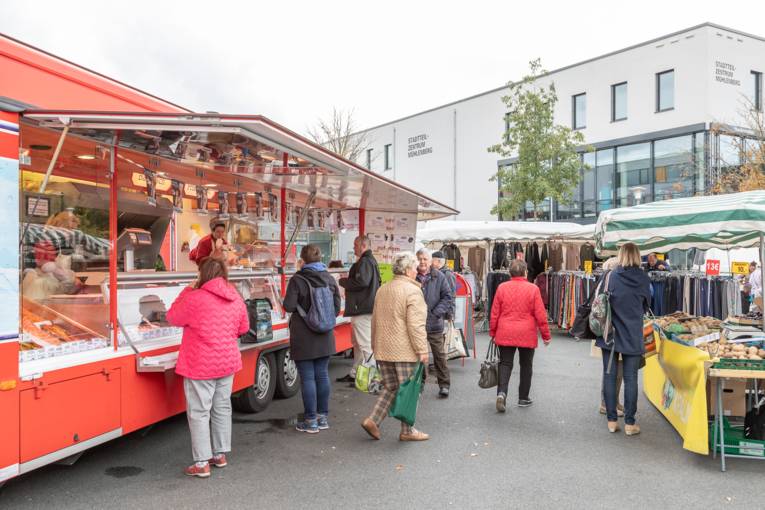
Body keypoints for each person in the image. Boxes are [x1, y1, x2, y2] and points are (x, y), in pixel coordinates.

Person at [167, 257, 249, 478]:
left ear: (202, 274)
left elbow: (172, 317)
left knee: (199, 412)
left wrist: (187, 290)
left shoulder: (194, 298)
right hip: (227, 361)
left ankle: (202, 462)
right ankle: (220, 454)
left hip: (200, 363)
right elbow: (244, 327)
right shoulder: (235, 296)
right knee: (222, 407)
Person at [361, 251, 430, 441]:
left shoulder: (383, 289)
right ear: (408, 270)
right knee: (409, 389)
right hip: (404, 351)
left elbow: (375, 320)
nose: (417, 271)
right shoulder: (412, 291)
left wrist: (375, 345)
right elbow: (415, 325)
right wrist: (422, 350)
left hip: (383, 349)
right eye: (415, 268)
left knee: (391, 387)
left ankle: (372, 420)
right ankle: (407, 431)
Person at [283, 244, 341, 434]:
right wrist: (323, 320)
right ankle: (322, 417)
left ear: (302, 259)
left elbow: (289, 306)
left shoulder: (297, 280)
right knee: (322, 375)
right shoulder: (329, 278)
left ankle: (310, 421)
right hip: (325, 334)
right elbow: (336, 306)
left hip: (303, 334)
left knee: (308, 378)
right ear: (319, 257)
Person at [596, 242, 651, 436]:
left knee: (609, 376)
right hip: (633, 333)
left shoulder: (610, 275)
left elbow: (600, 300)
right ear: (637, 256)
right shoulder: (643, 278)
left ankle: (612, 421)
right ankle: (629, 423)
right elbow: (646, 305)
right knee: (631, 378)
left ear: (620, 255)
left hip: (610, 333)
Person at [489, 259, 551, 412]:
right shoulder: (533, 289)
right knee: (526, 365)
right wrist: (546, 335)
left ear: (510, 272)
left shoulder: (502, 287)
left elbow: (495, 312)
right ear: (525, 272)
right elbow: (540, 314)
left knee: (505, 364)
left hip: (505, 330)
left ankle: (502, 393)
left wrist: (492, 331)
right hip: (526, 332)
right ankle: (523, 397)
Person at [337, 236, 381, 384]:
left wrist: (343, 281)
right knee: (358, 344)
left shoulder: (365, 261)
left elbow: (362, 281)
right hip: (365, 308)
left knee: (365, 345)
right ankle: (356, 373)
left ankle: (371, 378)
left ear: (363, 245)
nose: (353, 248)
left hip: (362, 308)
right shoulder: (370, 261)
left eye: (355, 245)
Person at [416, 248, 453, 398]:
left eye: (425, 259)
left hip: (434, 323)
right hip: (417, 324)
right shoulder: (412, 276)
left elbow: (447, 296)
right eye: (420, 259)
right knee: (418, 356)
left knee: (439, 356)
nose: (422, 262)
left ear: (431, 261)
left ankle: (444, 384)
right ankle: (419, 384)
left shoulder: (439, 276)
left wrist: (436, 312)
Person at [597, 257, 623, 417]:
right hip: (609, 329)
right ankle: (605, 403)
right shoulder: (608, 281)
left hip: (609, 328)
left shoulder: (605, 280)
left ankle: (614, 400)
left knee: (616, 368)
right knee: (611, 369)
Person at [431, 250, 457, 319]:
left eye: (432, 261)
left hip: (444, 314)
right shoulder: (434, 273)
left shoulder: (448, 275)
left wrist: (450, 315)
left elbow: (451, 296)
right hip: (436, 312)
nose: (430, 263)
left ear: (439, 261)